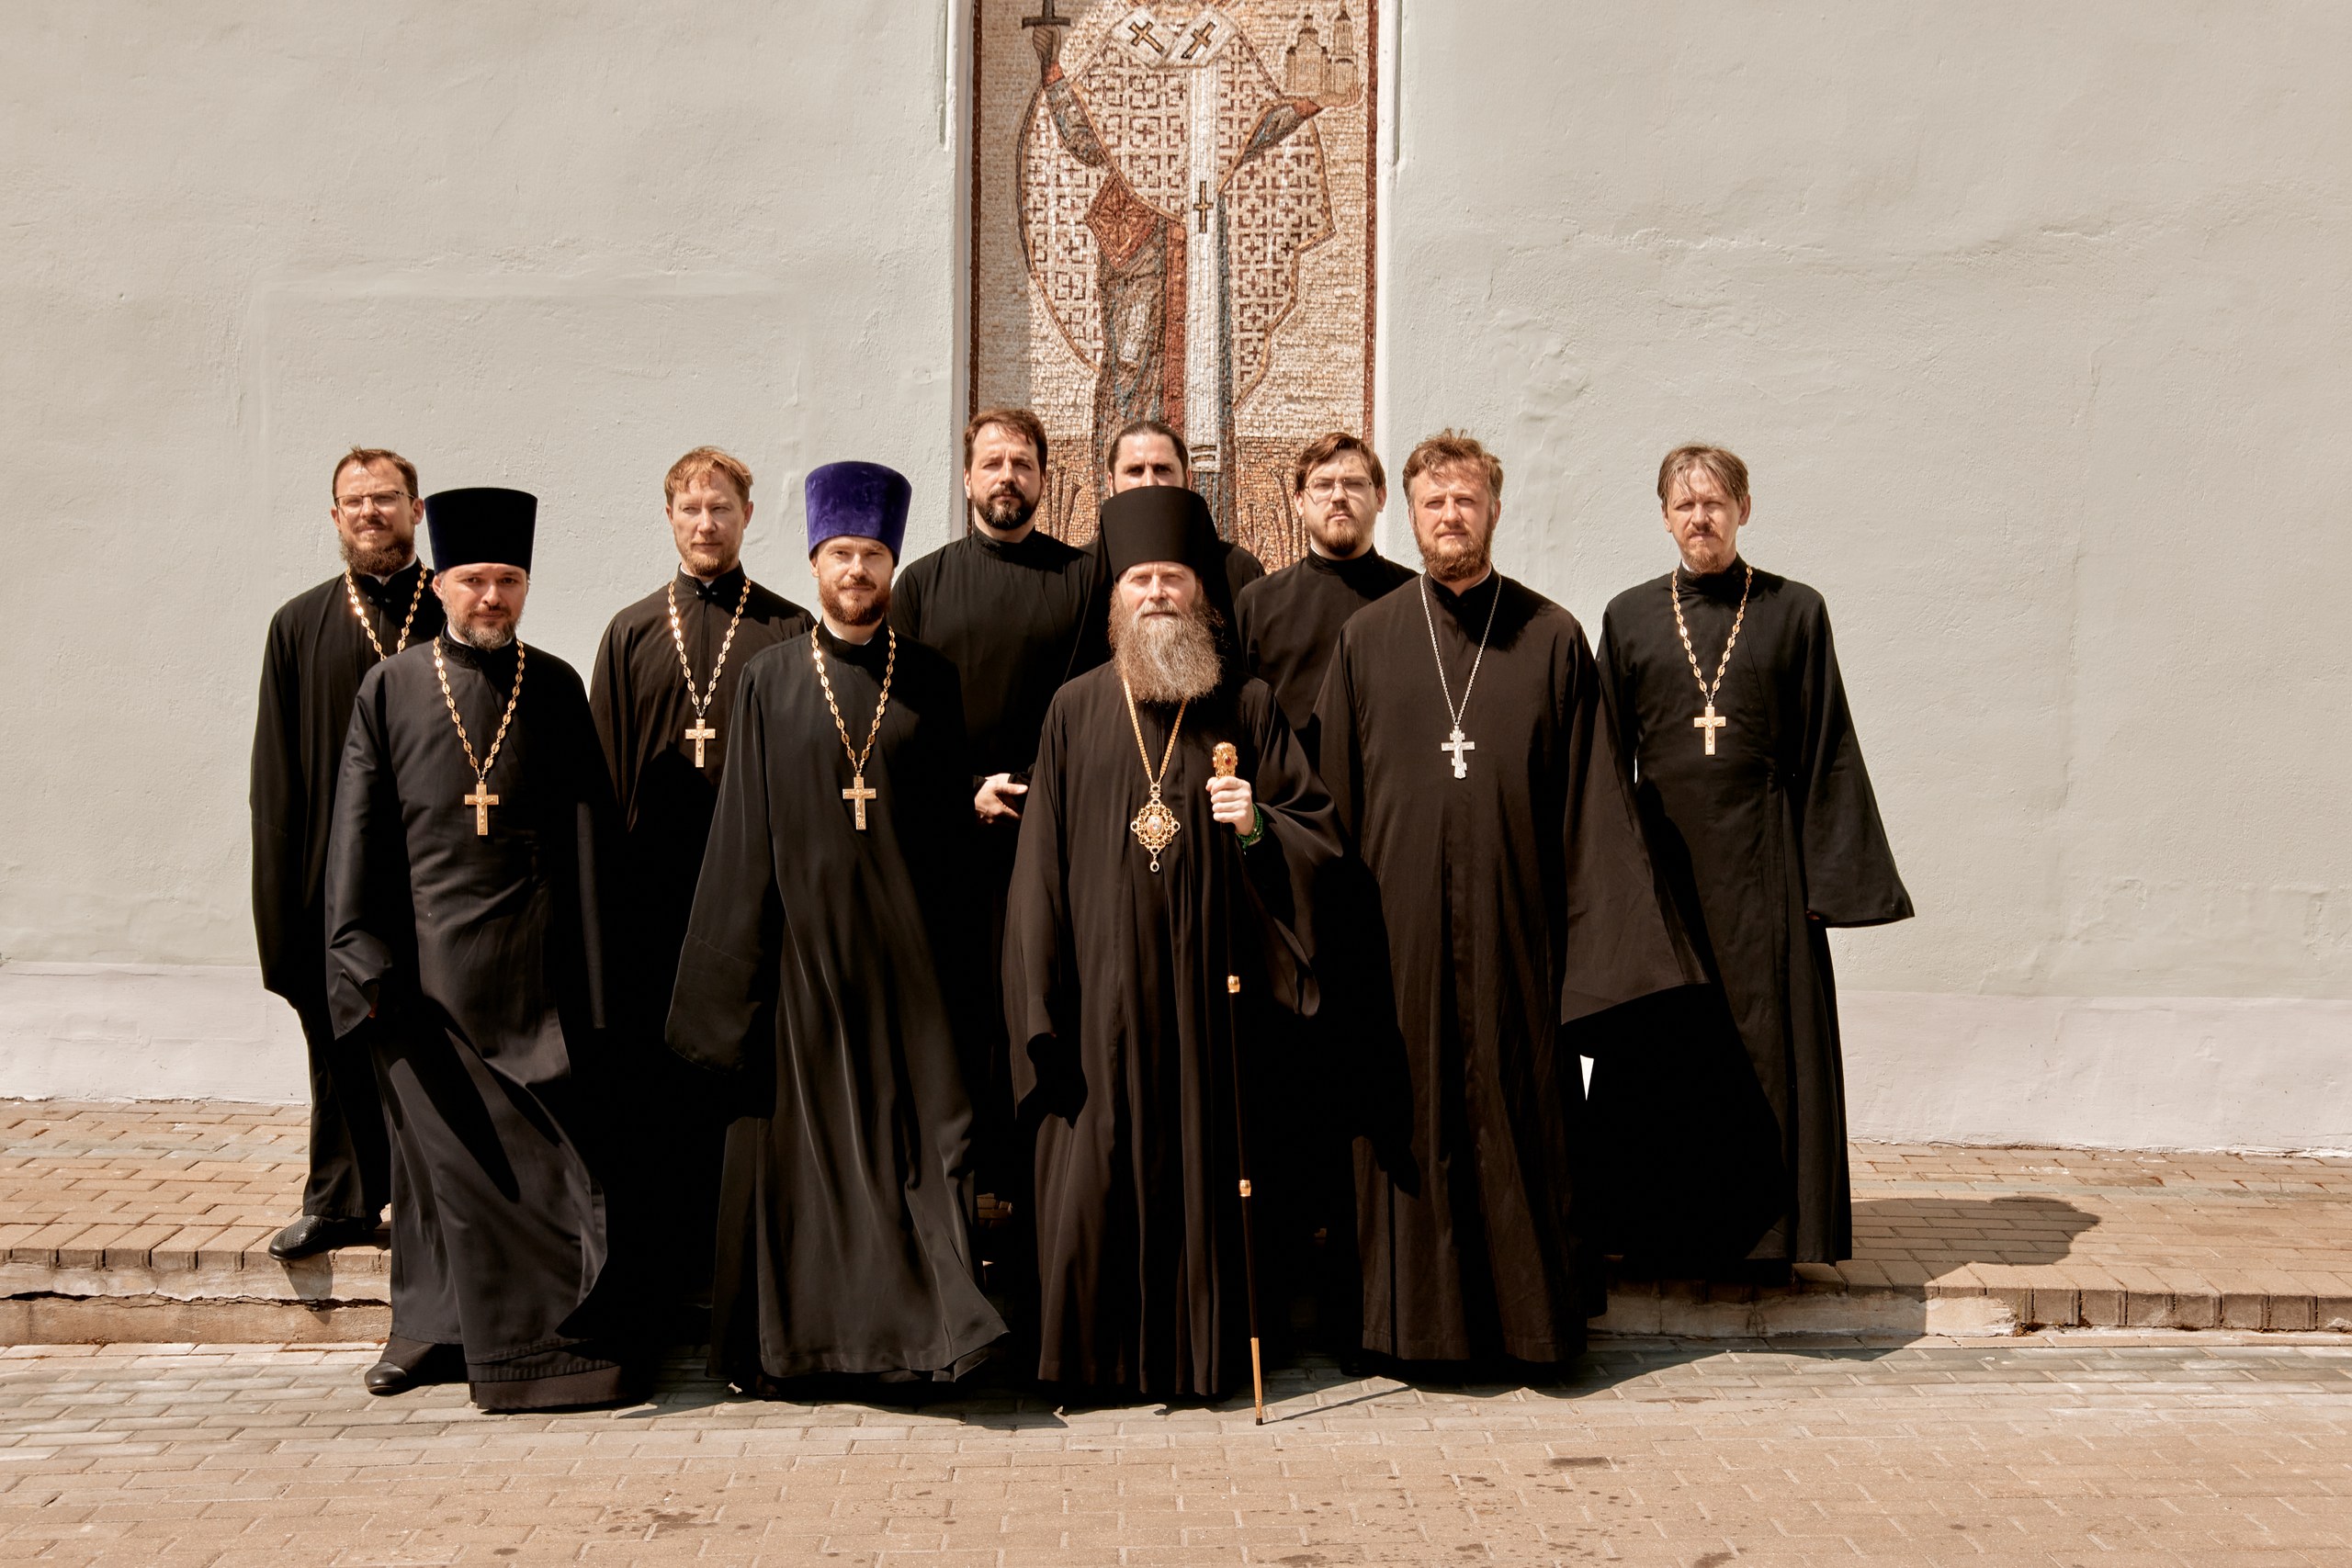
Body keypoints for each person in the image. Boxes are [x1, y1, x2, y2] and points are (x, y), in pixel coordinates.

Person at [1313, 431, 1698, 1371]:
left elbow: (1592, 808)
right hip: (1398, 941)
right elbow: (1333, 805)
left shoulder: (1552, 637)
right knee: (1409, 1124)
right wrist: (1336, 945)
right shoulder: (1366, 641)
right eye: (1434, 502)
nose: (1450, 516)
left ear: (1493, 508)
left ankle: (1528, 1330)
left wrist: (1593, 957)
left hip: (1519, 935)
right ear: (1411, 515)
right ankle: (1405, 1332)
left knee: (1515, 1117)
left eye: (1466, 500)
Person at [667, 461, 1006, 1393]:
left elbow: (946, 837)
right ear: (816, 562)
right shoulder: (769, 679)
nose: (857, 571)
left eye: (873, 556)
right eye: (842, 554)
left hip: (907, 969)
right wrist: (730, 987)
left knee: (925, 1151)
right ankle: (807, 1348)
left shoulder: (930, 677)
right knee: (802, 1166)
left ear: (892, 563)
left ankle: (921, 1344)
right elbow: (742, 833)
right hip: (803, 970)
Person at [1003, 485, 1340, 1400]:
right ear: (1116, 597)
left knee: (1206, 1171)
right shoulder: (1074, 709)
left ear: (1202, 596)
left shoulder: (1248, 705)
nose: (1156, 593)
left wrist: (1256, 824)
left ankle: (1200, 1359)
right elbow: (1038, 873)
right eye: (1140, 579)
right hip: (1097, 1005)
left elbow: (1316, 839)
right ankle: (1094, 1363)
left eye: (1173, 579)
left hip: (1211, 1003)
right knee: (1096, 1171)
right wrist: (1039, 1000)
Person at [324, 486, 639, 1409]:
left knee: (539, 1166)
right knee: (432, 1173)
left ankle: (549, 1341)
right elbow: (357, 834)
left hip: (535, 970)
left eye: (508, 580)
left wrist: (596, 977)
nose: (492, 598)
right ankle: (429, 1330)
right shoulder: (390, 687)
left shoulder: (555, 686)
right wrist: (359, 956)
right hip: (423, 972)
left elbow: (589, 840)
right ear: (441, 584)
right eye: (474, 580)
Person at [1589, 445, 1912, 1274]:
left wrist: (1824, 881)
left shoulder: (1794, 611)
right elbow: (1604, 764)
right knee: (1667, 1051)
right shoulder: (1628, 617)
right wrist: (1612, 890)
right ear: (1664, 517)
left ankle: (1771, 1237)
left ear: (1743, 509)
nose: (1700, 517)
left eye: (1715, 502)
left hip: (1766, 875)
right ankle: (1653, 1230)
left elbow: (1827, 748)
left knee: (1767, 1049)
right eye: (1685, 504)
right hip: (1665, 879)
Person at [587, 447, 809, 1314]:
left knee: (741, 1084)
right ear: (670, 517)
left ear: (748, 515)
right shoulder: (630, 633)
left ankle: (740, 1262)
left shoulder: (788, 630)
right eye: (691, 509)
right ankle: (659, 1263)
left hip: (751, 903)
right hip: (653, 903)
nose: (706, 523)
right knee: (656, 1083)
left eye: (721, 508)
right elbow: (606, 782)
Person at [888, 409, 1092, 1195]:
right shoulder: (922, 584)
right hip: (953, 844)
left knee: (1046, 1014)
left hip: (1056, 840)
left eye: (1023, 463)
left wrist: (1043, 789)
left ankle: (1043, 1189)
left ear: (1044, 477)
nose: (1008, 475)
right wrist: (965, 789)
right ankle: (964, 1195)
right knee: (961, 1015)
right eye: (993, 462)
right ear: (968, 477)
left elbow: (1098, 702)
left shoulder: (1082, 580)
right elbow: (894, 717)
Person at [250, 447, 443, 1262]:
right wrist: (282, 902)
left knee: (435, 1043)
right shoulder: (299, 625)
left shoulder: (455, 607)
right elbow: (276, 777)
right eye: (354, 500)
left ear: (416, 509)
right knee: (338, 1044)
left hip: (434, 872)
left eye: (386, 497)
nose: (370, 511)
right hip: (332, 877)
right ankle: (340, 1201)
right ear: (335, 516)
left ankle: (441, 1204)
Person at [1235, 432, 1413, 767]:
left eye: (1354, 484)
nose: (1339, 496)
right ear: (1300, 502)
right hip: (1289, 796)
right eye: (1323, 485)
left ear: (1380, 497)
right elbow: (1242, 719)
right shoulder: (1258, 602)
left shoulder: (1413, 598)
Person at [1106, 417, 1264, 596]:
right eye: (1135, 470)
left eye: (1162, 469)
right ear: (1111, 483)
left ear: (1188, 479)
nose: (1150, 483)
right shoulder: (1086, 573)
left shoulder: (1237, 570)